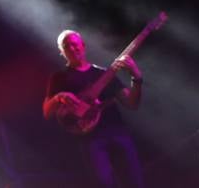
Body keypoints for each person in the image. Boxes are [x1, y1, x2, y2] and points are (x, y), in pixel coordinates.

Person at [42, 30, 145, 187]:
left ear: (83, 46)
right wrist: (59, 97)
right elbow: (47, 111)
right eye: (66, 45)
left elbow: (131, 103)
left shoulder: (103, 73)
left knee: (134, 180)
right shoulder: (59, 78)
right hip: (90, 141)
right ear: (62, 52)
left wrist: (136, 78)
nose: (72, 47)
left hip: (117, 131)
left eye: (74, 43)